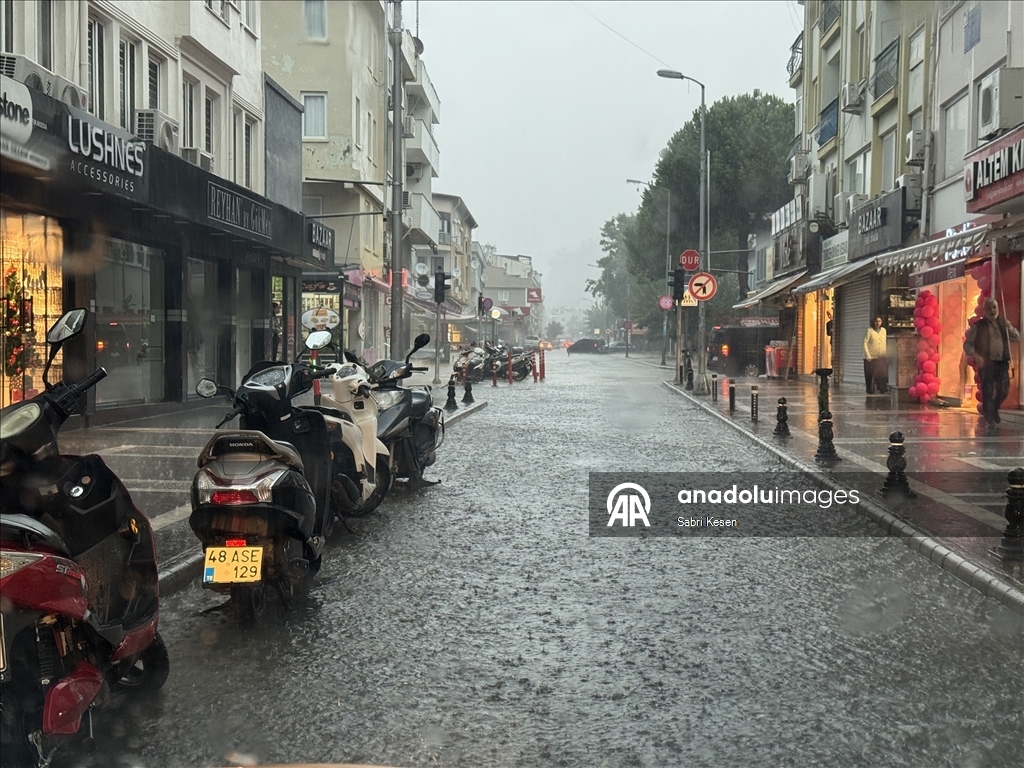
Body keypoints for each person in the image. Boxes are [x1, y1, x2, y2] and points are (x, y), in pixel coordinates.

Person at [964, 298, 1021, 427]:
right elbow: (968, 344)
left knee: (1004, 389)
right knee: (988, 390)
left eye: (994, 307)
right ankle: (989, 418)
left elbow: (1017, 338)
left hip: (1001, 362)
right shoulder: (978, 326)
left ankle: (994, 410)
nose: (992, 311)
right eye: (989, 308)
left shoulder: (1003, 323)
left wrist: (1009, 327)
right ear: (984, 310)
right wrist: (975, 355)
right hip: (986, 363)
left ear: (998, 308)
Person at [863, 316, 888, 394]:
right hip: (870, 356)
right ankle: (869, 389)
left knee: (881, 372)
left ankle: (882, 388)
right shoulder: (869, 331)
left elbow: (884, 342)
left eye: (879, 321)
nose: (878, 323)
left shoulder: (883, 330)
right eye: (876, 321)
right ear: (873, 322)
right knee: (869, 374)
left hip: (880, 355)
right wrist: (867, 355)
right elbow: (865, 342)